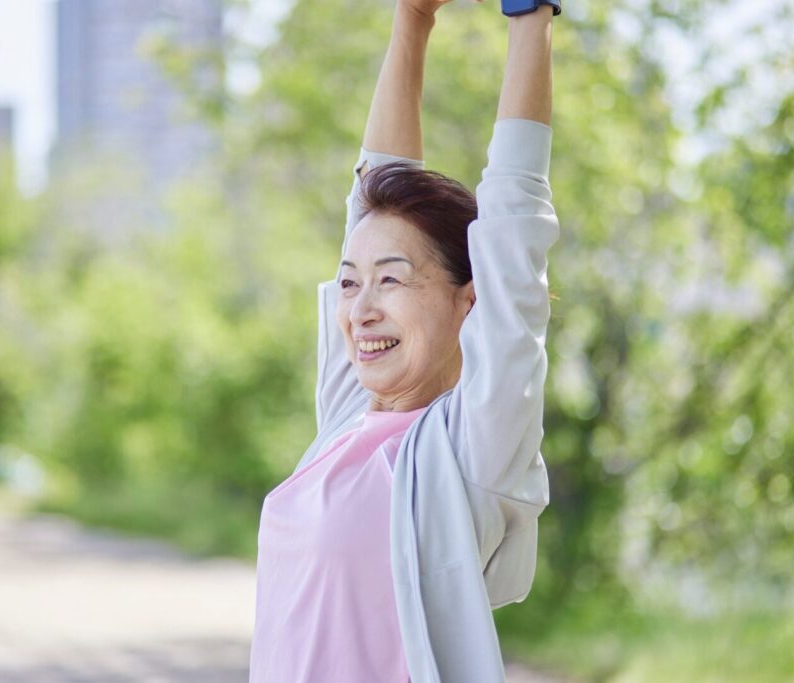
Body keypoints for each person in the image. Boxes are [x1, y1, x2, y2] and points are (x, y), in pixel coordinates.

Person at [249, 0, 561, 680]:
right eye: (350, 284)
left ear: (468, 301)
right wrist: (411, 18)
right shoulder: (343, 420)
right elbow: (368, 205)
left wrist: (529, 17)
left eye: (390, 282)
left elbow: (514, 233)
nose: (361, 309)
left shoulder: (467, 450)